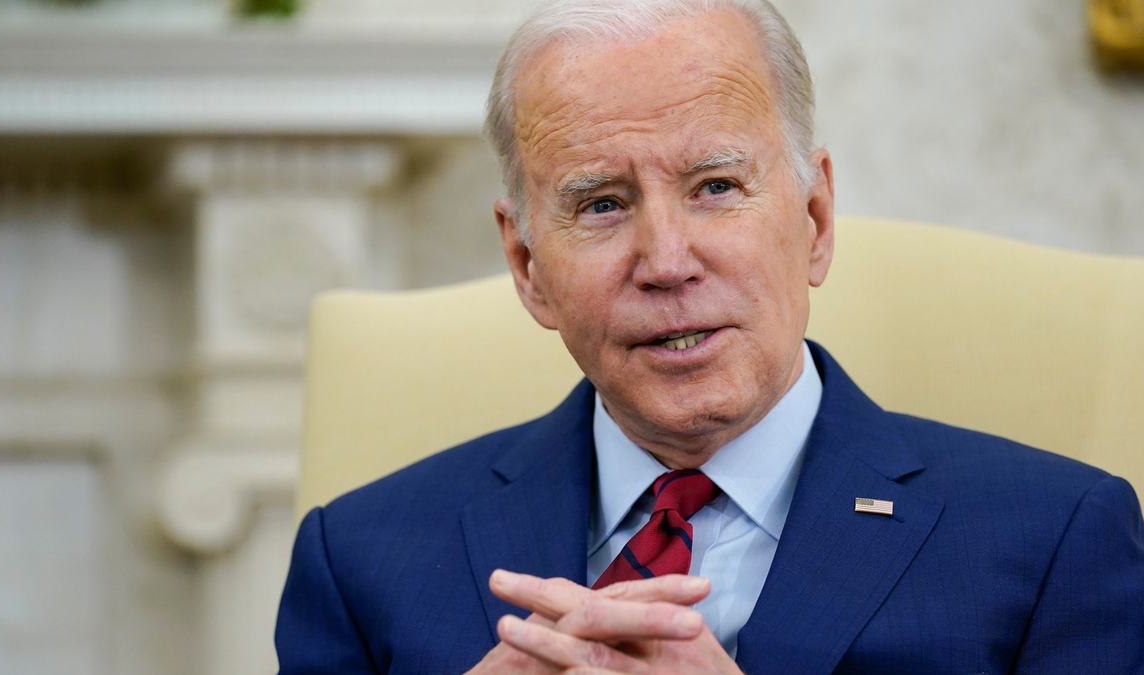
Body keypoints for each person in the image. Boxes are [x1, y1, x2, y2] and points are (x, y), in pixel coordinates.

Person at [274, 0, 1144, 673]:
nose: (667, 260)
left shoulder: (1055, 541)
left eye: (716, 186)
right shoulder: (358, 560)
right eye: (601, 204)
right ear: (527, 264)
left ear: (814, 219)